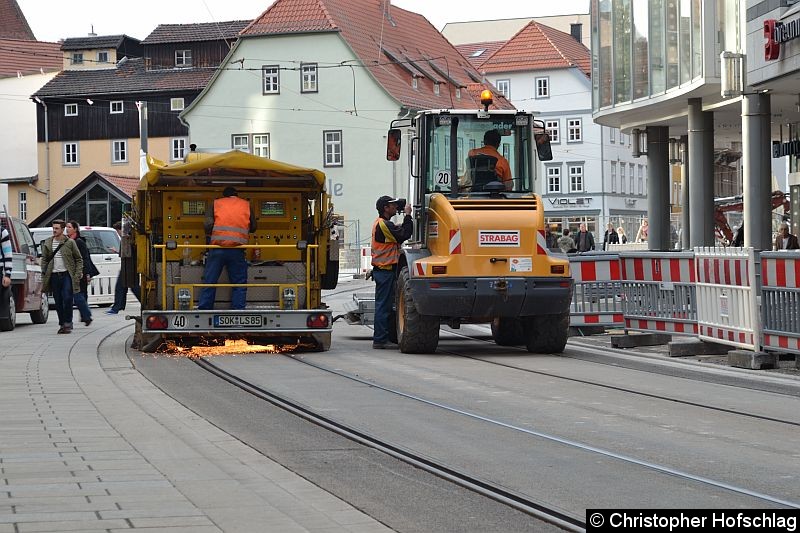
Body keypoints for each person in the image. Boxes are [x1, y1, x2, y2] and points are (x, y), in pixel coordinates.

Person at [198, 186, 256, 310]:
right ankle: (238, 311)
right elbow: (254, 226)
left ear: (224, 195)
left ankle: (204, 309)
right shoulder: (246, 205)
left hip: (218, 249)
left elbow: (207, 225)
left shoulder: (216, 203)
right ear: (237, 194)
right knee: (239, 283)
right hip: (237, 250)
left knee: (210, 281)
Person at [371, 195, 413, 349]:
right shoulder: (383, 225)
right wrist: (408, 215)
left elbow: (398, 232)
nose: (395, 207)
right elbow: (403, 234)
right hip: (385, 271)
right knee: (383, 306)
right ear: (385, 208)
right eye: (392, 205)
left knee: (386, 306)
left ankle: (384, 337)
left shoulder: (383, 224)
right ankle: (380, 339)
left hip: (386, 271)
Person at [40, 220, 83, 334]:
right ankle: (62, 323)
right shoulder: (48, 242)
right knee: (58, 301)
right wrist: (43, 271)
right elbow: (44, 259)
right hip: (53, 275)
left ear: (62, 229)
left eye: (57, 228)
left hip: (66, 274)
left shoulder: (69, 242)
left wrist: (77, 273)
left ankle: (68, 322)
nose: (54, 230)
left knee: (67, 298)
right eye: (53, 228)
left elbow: (79, 259)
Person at [66, 221, 97, 326]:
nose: (67, 229)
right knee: (81, 294)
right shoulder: (68, 241)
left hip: (80, 272)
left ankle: (86, 315)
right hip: (72, 271)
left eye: (69, 227)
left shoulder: (79, 242)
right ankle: (85, 315)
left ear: (75, 229)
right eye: (66, 227)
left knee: (79, 294)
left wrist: (87, 273)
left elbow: (85, 258)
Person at [107, 221, 140, 314]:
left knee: (124, 286)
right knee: (128, 286)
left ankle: (117, 307)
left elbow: (125, 254)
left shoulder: (125, 239)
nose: (118, 233)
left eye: (118, 231)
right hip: (131, 266)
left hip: (128, 266)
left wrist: (117, 252)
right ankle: (118, 307)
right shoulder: (133, 238)